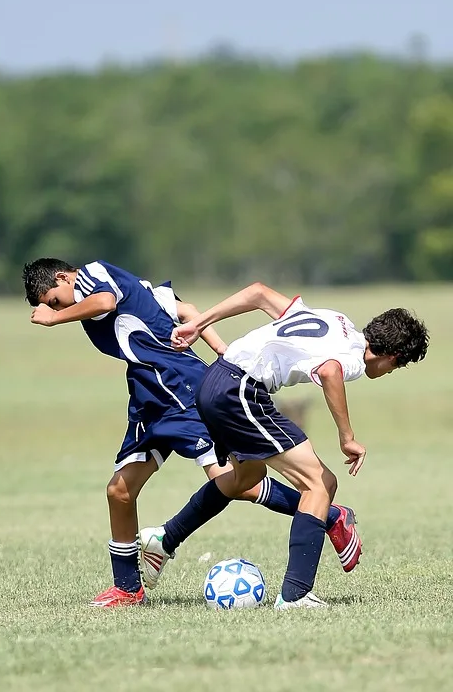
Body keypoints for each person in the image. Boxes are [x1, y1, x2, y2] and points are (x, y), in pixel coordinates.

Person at [23, 260, 362, 607]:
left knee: (236, 479)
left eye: (54, 300)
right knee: (119, 491)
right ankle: (127, 588)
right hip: (148, 396)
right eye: (54, 308)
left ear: (64, 277)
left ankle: (332, 516)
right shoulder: (134, 288)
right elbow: (184, 309)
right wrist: (220, 350)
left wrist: (54, 318)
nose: (58, 308)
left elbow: (105, 302)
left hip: (181, 388)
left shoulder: (94, 275)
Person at [139, 283, 429, 609]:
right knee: (320, 483)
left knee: (246, 477)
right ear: (393, 356)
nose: (388, 372)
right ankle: (295, 595)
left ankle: (164, 538)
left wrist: (199, 322)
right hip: (240, 390)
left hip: (214, 381)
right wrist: (346, 437)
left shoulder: (335, 319)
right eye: (396, 367)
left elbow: (259, 293)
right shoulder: (355, 358)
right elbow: (330, 370)